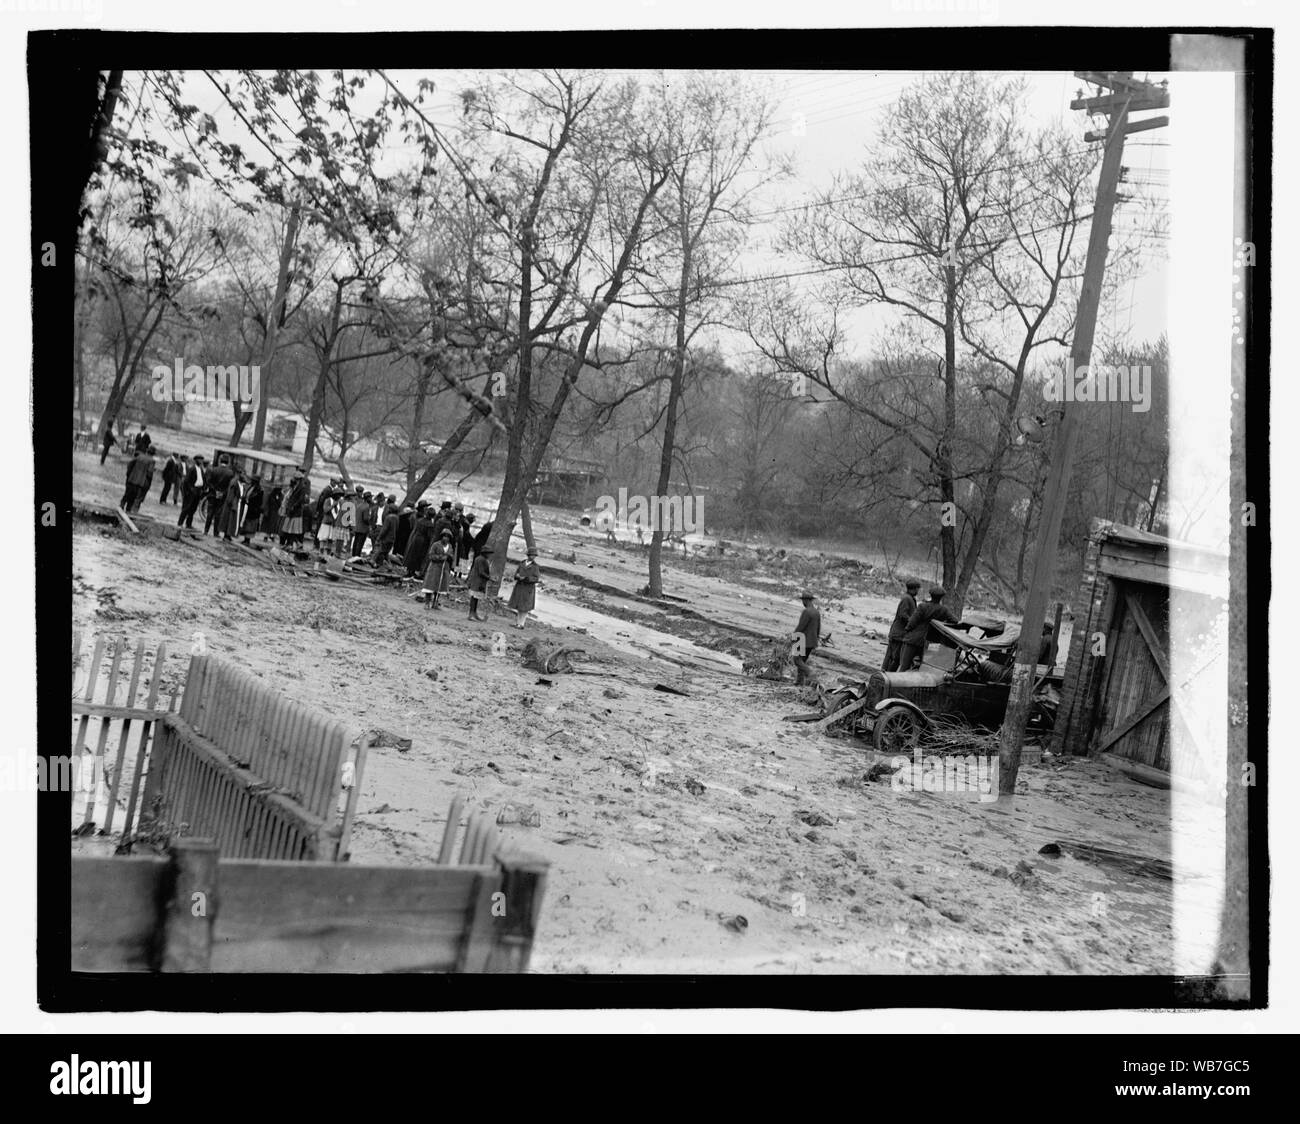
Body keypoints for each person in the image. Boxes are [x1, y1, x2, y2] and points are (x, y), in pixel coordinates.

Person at [897, 586, 961, 672]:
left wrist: (907, 630)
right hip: (931, 642)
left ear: (930, 595)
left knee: (904, 666)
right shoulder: (944, 610)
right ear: (941, 597)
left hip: (913, 640)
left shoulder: (922, 606)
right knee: (925, 668)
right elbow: (955, 621)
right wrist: (941, 625)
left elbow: (912, 623)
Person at [882, 578, 922, 672]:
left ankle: (885, 675)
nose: (918, 591)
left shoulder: (910, 598)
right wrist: (912, 623)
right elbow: (902, 614)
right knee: (894, 658)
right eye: (917, 589)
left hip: (899, 633)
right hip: (899, 634)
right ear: (914, 589)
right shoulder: (906, 599)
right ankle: (887, 676)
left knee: (892, 657)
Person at [790, 591, 821, 686]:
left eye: (803, 600)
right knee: (802, 660)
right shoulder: (816, 612)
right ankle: (799, 682)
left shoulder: (806, 612)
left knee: (796, 660)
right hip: (812, 641)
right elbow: (818, 628)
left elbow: (801, 627)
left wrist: (793, 637)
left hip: (802, 640)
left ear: (806, 600)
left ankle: (810, 672)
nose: (802, 603)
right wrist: (816, 639)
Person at [508, 547, 541, 629]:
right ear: (528, 555)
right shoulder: (522, 563)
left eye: (534, 555)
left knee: (525, 607)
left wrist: (526, 578)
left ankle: (521, 624)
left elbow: (536, 578)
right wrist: (517, 576)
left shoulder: (535, 567)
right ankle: (517, 623)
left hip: (528, 588)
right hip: (520, 586)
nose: (533, 557)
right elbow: (516, 574)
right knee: (519, 606)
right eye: (532, 555)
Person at [420, 530, 454, 609]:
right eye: (444, 536)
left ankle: (435, 602)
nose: (446, 538)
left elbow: (452, 556)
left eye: (448, 537)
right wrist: (441, 557)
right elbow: (431, 556)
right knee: (431, 585)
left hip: (444, 568)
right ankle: (427, 602)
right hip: (435, 568)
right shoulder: (436, 545)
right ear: (441, 536)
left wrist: (449, 557)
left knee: (440, 586)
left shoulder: (450, 546)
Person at [279, 470, 311, 549]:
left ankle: (290, 544)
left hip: (296, 511)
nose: (295, 480)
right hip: (290, 510)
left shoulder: (302, 488)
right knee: (288, 529)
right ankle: (289, 544)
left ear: (299, 479)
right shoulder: (294, 487)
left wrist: (294, 506)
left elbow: (301, 500)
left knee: (293, 530)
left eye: (296, 478)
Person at [120, 447, 155, 513]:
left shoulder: (139, 456)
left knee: (127, 494)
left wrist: (129, 474)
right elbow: (149, 473)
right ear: (153, 454)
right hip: (141, 482)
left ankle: (122, 505)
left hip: (132, 479)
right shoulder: (152, 460)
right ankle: (129, 510)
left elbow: (130, 464)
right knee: (134, 497)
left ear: (147, 451)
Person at [405, 502, 435, 577]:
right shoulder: (430, 524)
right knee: (418, 556)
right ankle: (413, 571)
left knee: (412, 554)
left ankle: (409, 570)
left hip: (415, 538)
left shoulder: (420, 520)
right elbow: (429, 535)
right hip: (423, 541)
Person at [177, 455, 207, 528]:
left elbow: (203, 480)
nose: (201, 461)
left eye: (202, 460)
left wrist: (203, 489)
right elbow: (187, 481)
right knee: (186, 508)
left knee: (193, 509)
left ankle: (188, 524)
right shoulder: (192, 469)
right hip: (192, 491)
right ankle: (180, 523)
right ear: (196, 460)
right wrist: (189, 490)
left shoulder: (201, 469)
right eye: (199, 460)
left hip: (198, 491)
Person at [467, 546, 493, 621]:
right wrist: (489, 577)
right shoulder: (482, 560)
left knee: (475, 598)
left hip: (476, 580)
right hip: (478, 581)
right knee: (474, 598)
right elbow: (481, 572)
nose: (489, 555)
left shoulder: (479, 558)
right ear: (485, 553)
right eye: (488, 553)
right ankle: (472, 613)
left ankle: (473, 613)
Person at [240, 476, 264, 545]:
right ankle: (245, 539)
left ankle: (247, 540)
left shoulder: (259, 490)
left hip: (253, 510)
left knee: (250, 525)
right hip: (248, 508)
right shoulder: (250, 487)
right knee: (246, 523)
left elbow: (258, 501)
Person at [352, 490, 373, 559]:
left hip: (357, 527)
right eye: (371, 498)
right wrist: (370, 522)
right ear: (368, 498)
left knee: (356, 542)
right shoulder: (367, 507)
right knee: (360, 544)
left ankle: (353, 555)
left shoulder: (360, 505)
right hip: (363, 528)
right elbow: (365, 518)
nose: (371, 499)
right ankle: (357, 557)